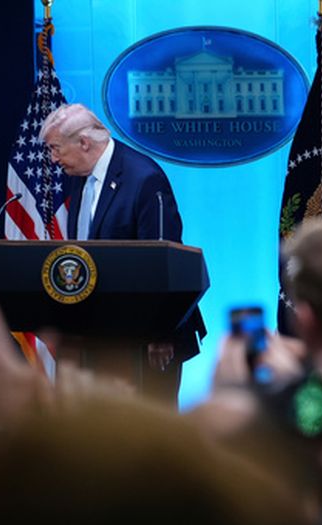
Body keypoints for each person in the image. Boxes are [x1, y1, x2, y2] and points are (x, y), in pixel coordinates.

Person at [40, 103, 205, 405]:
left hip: (149, 344)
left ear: (84, 143)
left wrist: (160, 332)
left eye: (55, 148)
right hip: (100, 336)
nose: (52, 159)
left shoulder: (144, 178)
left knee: (150, 440)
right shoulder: (79, 178)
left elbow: (163, 263)